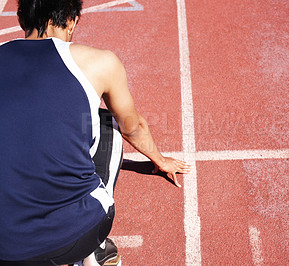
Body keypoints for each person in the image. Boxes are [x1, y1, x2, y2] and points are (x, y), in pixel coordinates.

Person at [0, 0, 190, 265]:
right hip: (73, 238)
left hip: (4, 247)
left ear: (20, 19)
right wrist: (159, 159)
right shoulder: (99, 62)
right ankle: (93, 254)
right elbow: (132, 127)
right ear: (72, 21)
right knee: (105, 121)